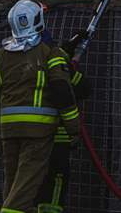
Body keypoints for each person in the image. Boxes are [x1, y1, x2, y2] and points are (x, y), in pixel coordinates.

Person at [0, 0, 81, 213]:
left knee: (12, 185)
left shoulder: (1, 55)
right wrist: (74, 128)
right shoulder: (49, 53)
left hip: (9, 130)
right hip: (38, 133)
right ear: (38, 20)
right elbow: (62, 92)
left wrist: (13, 104)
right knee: (24, 190)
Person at [35, 30, 91, 213]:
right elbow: (81, 89)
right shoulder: (57, 66)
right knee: (56, 179)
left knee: (27, 183)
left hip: (24, 138)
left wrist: (66, 51)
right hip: (55, 137)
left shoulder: (15, 63)